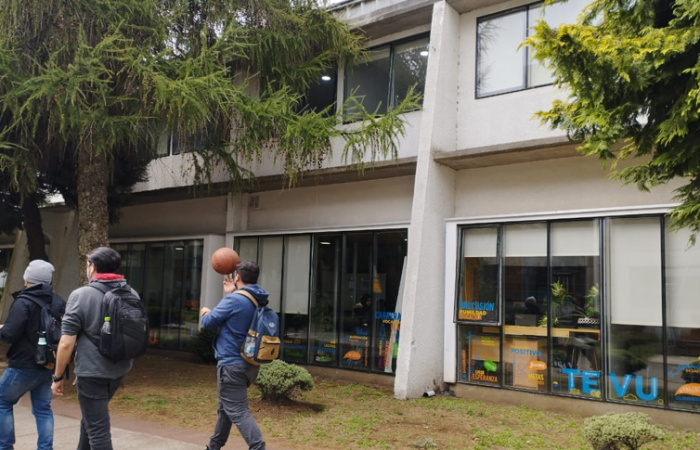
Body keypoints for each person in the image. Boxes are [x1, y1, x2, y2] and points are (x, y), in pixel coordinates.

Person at [51, 247, 135, 450]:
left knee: (98, 431)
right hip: (120, 368)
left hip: (92, 370)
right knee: (91, 418)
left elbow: (66, 342)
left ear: (93, 266)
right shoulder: (130, 292)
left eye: (87, 264)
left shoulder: (82, 295)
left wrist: (58, 376)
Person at [200, 260, 268, 450]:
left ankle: (258, 447)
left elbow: (208, 323)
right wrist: (232, 293)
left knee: (237, 410)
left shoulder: (234, 300)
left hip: (232, 364)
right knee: (226, 409)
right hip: (249, 363)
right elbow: (239, 318)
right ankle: (213, 447)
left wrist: (205, 312)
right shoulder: (258, 298)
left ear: (237, 277)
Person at [0, 260, 64, 450]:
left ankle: (5, 446)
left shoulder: (24, 301)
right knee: (43, 409)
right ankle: (45, 448)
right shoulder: (57, 301)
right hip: (49, 363)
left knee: (2, 401)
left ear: (27, 278)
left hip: (24, 364)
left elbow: (10, 334)